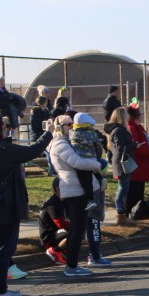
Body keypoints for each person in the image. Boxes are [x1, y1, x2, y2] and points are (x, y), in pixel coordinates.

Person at [0, 112, 54, 296]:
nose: (5, 129)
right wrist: (48, 133)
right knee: (3, 248)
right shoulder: (2, 149)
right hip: (5, 205)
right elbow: (32, 151)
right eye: (3, 126)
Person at [49, 114, 105, 276]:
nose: (72, 127)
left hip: (77, 190)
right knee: (77, 230)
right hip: (73, 191)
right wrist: (96, 165)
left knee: (78, 230)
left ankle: (72, 265)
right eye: (68, 124)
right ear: (60, 127)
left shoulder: (69, 142)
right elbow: (77, 162)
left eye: (73, 124)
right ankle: (71, 266)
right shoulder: (60, 144)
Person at [106, 107, 138, 226]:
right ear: (121, 116)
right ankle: (120, 214)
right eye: (126, 114)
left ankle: (122, 214)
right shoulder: (118, 131)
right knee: (123, 188)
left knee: (125, 188)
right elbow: (119, 149)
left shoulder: (121, 129)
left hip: (123, 162)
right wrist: (134, 145)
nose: (128, 116)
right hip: (121, 163)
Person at [68, 113, 105, 213]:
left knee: (85, 180)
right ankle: (101, 180)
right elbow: (98, 147)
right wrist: (97, 159)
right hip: (92, 160)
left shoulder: (71, 133)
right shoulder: (92, 134)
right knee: (94, 175)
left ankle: (90, 199)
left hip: (80, 161)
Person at [126, 105, 149, 216]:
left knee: (139, 191)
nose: (142, 116)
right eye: (141, 114)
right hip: (137, 165)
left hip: (142, 165)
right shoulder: (132, 128)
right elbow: (136, 147)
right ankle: (131, 212)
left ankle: (139, 212)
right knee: (134, 191)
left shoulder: (139, 127)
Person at [38, 178, 70, 265]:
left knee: (78, 231)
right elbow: (60, 223)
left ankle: (64, 251)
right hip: (49, 235)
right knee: (75, 232)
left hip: (57, 232)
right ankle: (54, 250)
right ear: (57, 188)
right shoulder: (52, 203)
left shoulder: (63, 201)